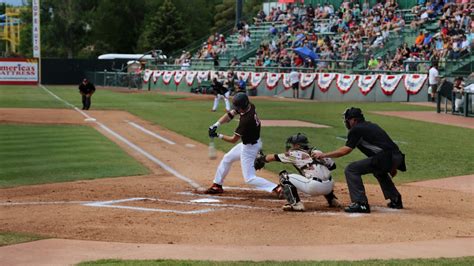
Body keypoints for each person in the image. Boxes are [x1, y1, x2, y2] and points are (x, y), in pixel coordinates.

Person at [314, 107, 406, 213]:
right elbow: (387, 146)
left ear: (354, 120)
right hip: (396, 157)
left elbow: (345, 150)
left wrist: (323, 155)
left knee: (351, 169)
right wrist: (392, 166)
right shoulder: (371, 125)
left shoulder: (356, 129)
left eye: (348, 120)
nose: (346, 122)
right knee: (379, 171)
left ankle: (360, 203)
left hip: (387, 157)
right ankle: (395, 199)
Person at [206, 92, 282, 196]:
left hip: (250, 148)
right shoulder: (250, 106)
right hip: (251, 143)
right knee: (227, 158)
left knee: (249, 178)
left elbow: (233, 140)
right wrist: (216, 124)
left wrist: (218, 135)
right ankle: (217, 185)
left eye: (238, 107)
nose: (236, 109)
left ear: (243, 106)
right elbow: (230, 114)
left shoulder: (246, 121)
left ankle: (277, 188)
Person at [254, 133, 340, 212]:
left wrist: (261, 158)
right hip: (330, 186)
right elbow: (333, 166)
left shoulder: (295, 154)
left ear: (298, 145)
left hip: (314, 187)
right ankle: (332, 200)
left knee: (284, 176)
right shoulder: (318, 152)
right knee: (323, 175)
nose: (291, 146)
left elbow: (273, 157)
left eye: (293, 144)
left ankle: (296, 204)